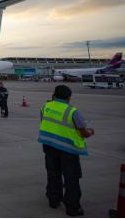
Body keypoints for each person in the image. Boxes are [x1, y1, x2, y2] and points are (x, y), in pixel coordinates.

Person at [38, 85, 94, 217]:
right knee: (71, 178)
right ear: (69, 97)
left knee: (53, 174)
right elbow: (83, 132)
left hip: (49, 145)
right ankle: (72, 208)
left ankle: (53, 200)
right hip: (68, 149)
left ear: (54, 95)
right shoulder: (73, 111)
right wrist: (90, 131)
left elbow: (44, 122)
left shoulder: (45, 107)